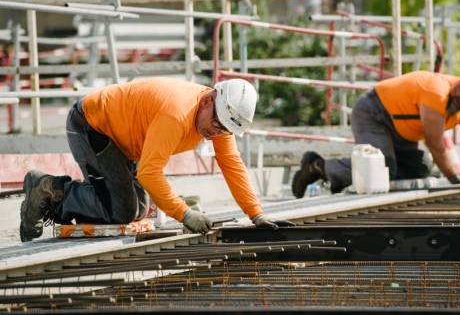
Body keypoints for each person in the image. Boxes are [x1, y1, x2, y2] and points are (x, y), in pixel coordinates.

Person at [20, 77, 293, 242]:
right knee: (122, 212)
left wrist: (256, 214)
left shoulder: (219, 117)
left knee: (139, 210)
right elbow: (151, 174)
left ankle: (68, 195)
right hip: (91, 127)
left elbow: (232, 164)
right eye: (216, 125)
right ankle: (49, 190)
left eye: (223, 130)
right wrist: (184, 213)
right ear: (210, 99)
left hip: (124, 143)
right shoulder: (177, 114)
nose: (215, 133)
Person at [292, 69, 460, 198]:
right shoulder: (437, 91)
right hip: (374, 113)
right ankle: (319, 167)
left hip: (401, 131)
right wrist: (454, 181)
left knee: (422, 167)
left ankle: (349, 176)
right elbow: (435, 144)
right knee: (383, 168)